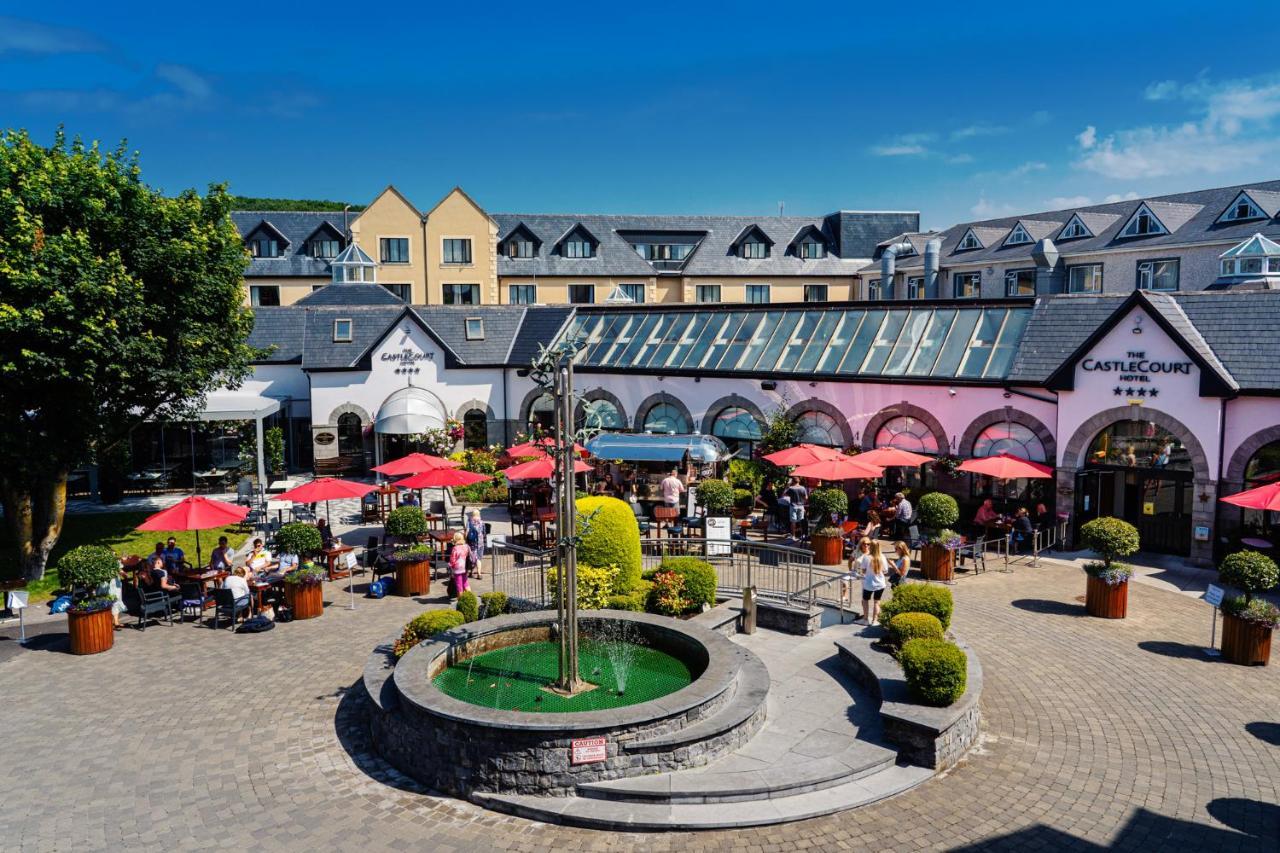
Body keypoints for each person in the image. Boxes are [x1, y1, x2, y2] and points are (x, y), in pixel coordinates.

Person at [861, 541, 889, 624]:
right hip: (880, 583)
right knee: (877, 602)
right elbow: (885, 571)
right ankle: (874, 620)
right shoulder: (882, 557)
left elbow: (863, 570)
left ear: (870, 546)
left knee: (865, 600)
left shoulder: (866, 557)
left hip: (868, 583)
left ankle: (865, 619)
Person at [448, 531, 471, 599]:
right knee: (465, 583)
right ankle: (471, 598)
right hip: (465, 567)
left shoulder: (455, 548)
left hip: (457, 569)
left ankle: (461, 601)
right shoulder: (466, 546)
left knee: (459, 585)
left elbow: (452, 560)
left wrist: (450, 566)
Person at [465, 509, 486, 579]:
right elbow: (484, 532)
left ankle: (470, 572)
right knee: (479, 558)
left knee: (472, 557)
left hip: (471, 542)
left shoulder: (469, 521)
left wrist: (465, 540)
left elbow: (467, 531)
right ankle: (479, 574)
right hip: (480, 542)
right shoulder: (481, 522)